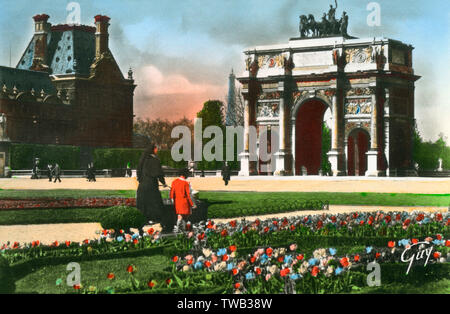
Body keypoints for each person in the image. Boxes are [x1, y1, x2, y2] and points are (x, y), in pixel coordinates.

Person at [136, 144, 170, 231]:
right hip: (151, 185)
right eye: (156, 149)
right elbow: (159, 173)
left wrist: (141, 180)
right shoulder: (155, 160)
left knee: (143, 202)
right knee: (154, 202)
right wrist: (163, 182)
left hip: (142, 185)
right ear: (153, 149)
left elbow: (138, 171)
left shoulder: (143, 159)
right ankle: (154, 219)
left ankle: (143, 219)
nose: (157, 151)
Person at [170, 168, 196, 232]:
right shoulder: (186, 183)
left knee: (180, 215)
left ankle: (180, 228)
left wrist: (173, 200)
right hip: (185, 202)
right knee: (184, 217)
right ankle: (180, 228)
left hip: (177, 202)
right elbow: (189, 195)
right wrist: (193, 204)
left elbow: (172, 193)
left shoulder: (174, 181)